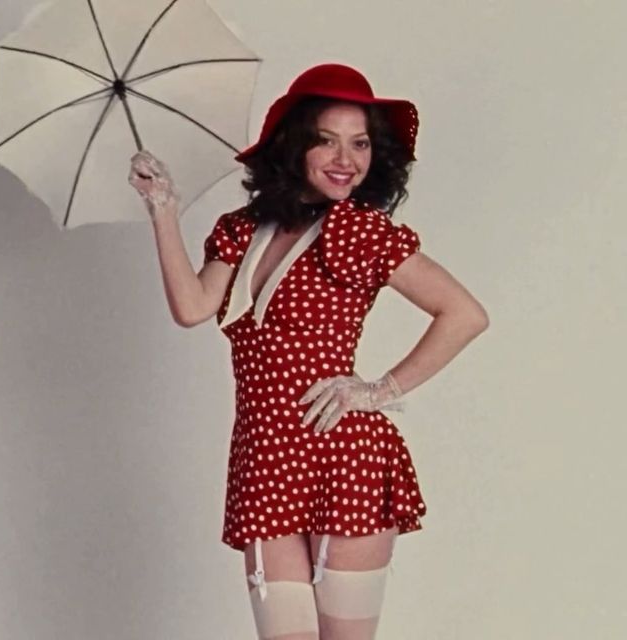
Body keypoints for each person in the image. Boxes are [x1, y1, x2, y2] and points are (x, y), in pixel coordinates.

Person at [128, 63, 489, 640]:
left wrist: (377, 391)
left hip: (343, 458)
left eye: (361, 143)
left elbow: (465, 314)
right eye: (327, 140)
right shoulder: (243, 230)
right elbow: (193, 307)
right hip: (266, 459)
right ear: (295, 146)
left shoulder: (361, 232)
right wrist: (162, 209)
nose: (347, 159)